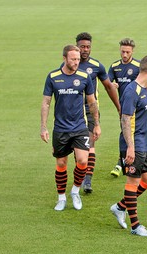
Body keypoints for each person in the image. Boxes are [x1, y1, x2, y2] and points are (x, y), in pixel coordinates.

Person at [109, 55, 147, 237]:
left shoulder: (143, 90)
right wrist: (130, 148)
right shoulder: (131, 91)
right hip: (134, 144)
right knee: (132, 182)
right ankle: (135, 226)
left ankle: (120, 207)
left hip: (144, 144)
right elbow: (125, 119)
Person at [40, 45, 101, 211]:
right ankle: (61, 197)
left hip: (80, 126)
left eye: (78, 59)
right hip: (60, 128)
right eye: (73, 59)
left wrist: (96, 124)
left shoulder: (84, 77)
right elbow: (46, 102)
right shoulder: (53, 77)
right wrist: (43, 127)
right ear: (65, 58)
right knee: (61, 163)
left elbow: (92, 102)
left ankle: (75, 190)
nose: (76, 62)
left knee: (83, 160)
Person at [74, 32, 120, 194]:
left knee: (90, 145)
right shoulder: (70, 65)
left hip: (91, 112)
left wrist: (119, 108)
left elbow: (108, 87)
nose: (85, 50)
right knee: (79, 151)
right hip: (73, 114)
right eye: (82, 47)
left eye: (88, 47)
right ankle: (81, 176)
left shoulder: (96, 66)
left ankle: (87, 181)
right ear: (76, 47)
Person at [108, 38, 147, 178]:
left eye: (127, 52)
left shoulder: (138, 65)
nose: (124, 54)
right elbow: (108, 83)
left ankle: (121, 162)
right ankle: (125, 159)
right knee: (126, 132)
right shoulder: (115, 66)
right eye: (122, 51)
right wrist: (113, 86)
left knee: (132, 131)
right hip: (124, 107)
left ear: (132, 51)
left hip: (138, 106)